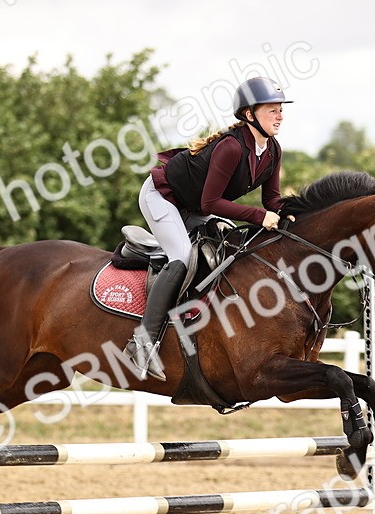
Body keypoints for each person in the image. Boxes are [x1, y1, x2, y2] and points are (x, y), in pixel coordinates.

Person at [124, 77, 294, 380]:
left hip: (195, 207)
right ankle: (141, 343)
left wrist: (289, 214)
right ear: (249, 114)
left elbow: (272, 200)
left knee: (228, 245)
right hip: (163, 197)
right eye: (272, 110)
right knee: (181, 257)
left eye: (281, 109)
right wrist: (259, 216)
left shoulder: (272, 150)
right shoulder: (231, 147)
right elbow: (212, 201)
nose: (280, 115)